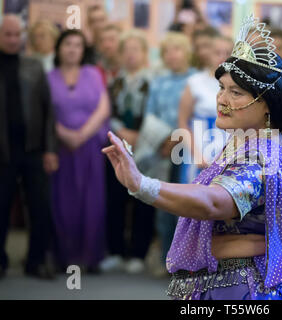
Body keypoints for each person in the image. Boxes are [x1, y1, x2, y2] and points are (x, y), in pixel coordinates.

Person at [103, 14, 282, 300]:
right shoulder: (250, 141)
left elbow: (213, 202)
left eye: (235, 92)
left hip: (241, 290)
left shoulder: (263, 157)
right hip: (228, 283)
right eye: (221, 88)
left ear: (266, 105)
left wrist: (141, 184)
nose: (222, 99)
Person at [0, 14, 58, 280]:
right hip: (3, 153)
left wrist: (50, 149)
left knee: (40, 207)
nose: (12, 39)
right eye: (7, 34)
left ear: (22, 36)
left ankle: (35, 261)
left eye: (16, 34)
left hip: (34, 149)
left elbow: (48, 111)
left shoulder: (34, 66)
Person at [48, 29, 110, 273]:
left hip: (90, 146)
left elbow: (103, 108)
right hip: (60, 149)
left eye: (78, 45)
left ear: (83, 50)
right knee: (63, 203)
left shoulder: (93, 73)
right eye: (68, 44)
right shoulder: (48, 77)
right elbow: (44, 112)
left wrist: (81, 135)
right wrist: (64, 134)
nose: (72, 49)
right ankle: (64, 256)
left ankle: (91, 256)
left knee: (92, 201)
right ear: (59, 48)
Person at [139, 32, 197, 276]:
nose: (172, 55)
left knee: (186, 207)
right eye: (167, 51)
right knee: (163, 205)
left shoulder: (196, 80)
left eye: (177, 49)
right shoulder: (158, 82)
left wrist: (179, 138)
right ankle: (167, 259)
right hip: (162, 149)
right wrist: (164, 140)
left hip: (190, 149)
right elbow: (149, 116)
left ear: (187, 52)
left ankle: (188, 262)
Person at [101, 29, 155, 274]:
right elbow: (107, 112)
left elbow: (156, 114)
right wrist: (120, 131)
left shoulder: (152, 81)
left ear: (144, 53)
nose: (131, 54)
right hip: (118, 144)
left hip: (144, 147)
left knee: (143, 197)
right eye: (127, 50)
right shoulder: (114, 81)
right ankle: (116, 251)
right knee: (115, 197)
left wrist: (139, 133)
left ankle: (138, 253)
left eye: (136, 49)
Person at [178, 35, 233, 183]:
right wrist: (197, 154)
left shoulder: (237, 86)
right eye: (217, 52)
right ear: (209, 54)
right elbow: (183, 122)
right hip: (198, 143)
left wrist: (226, 156)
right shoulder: (195, 82)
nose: (222, 57)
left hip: (227, 144)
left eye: (227, 53)